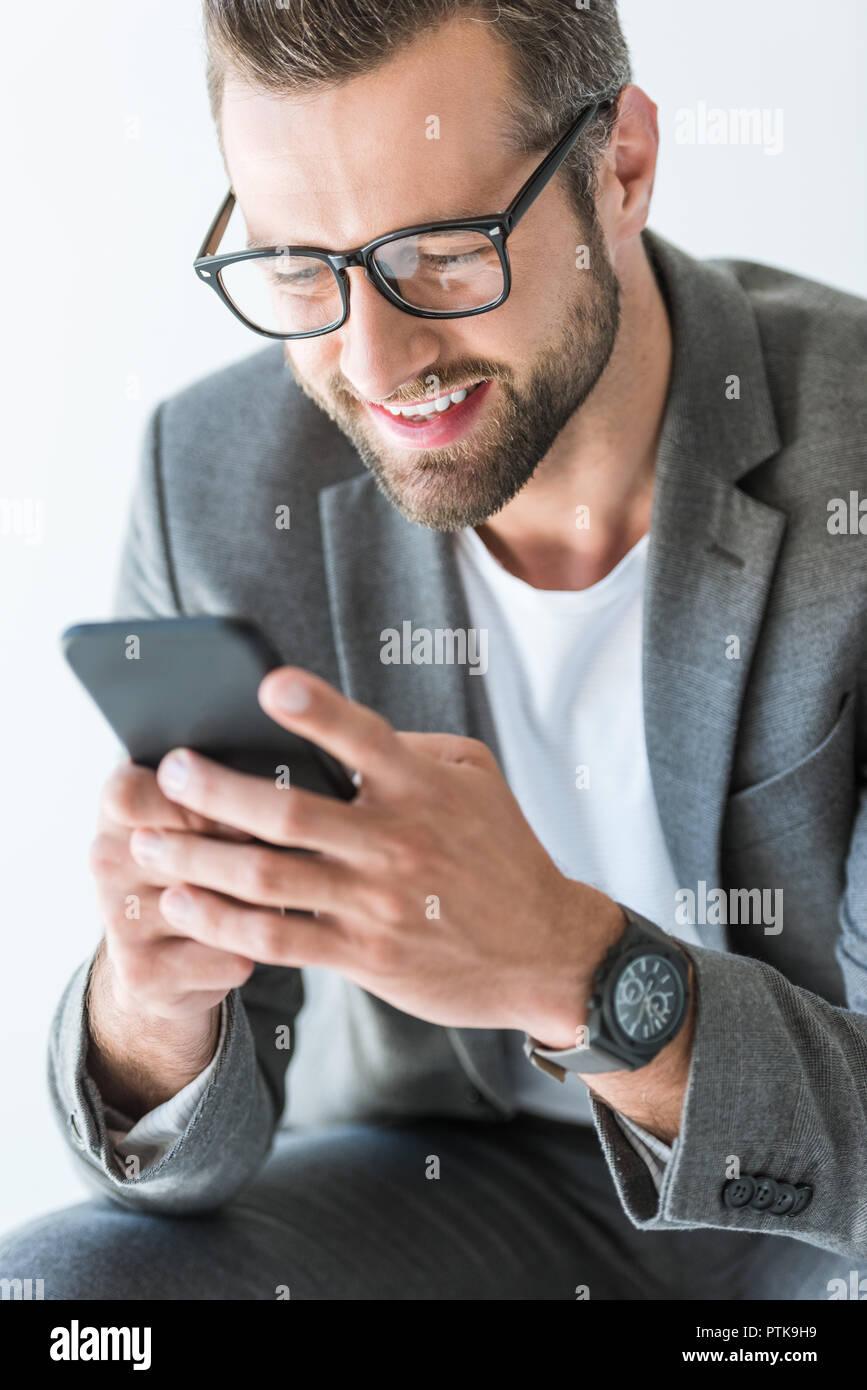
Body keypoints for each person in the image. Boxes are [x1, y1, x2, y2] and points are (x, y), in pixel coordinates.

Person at [2, 0, 864, 1300]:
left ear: (621, 166)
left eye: (443, 253)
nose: (372, 359)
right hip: (455, 1186)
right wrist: (151, 1016)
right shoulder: (216, 482)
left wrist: (579, 969)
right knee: (64, 1294)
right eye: (297, 266)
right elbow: (183, 1171)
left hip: (823, 1206)